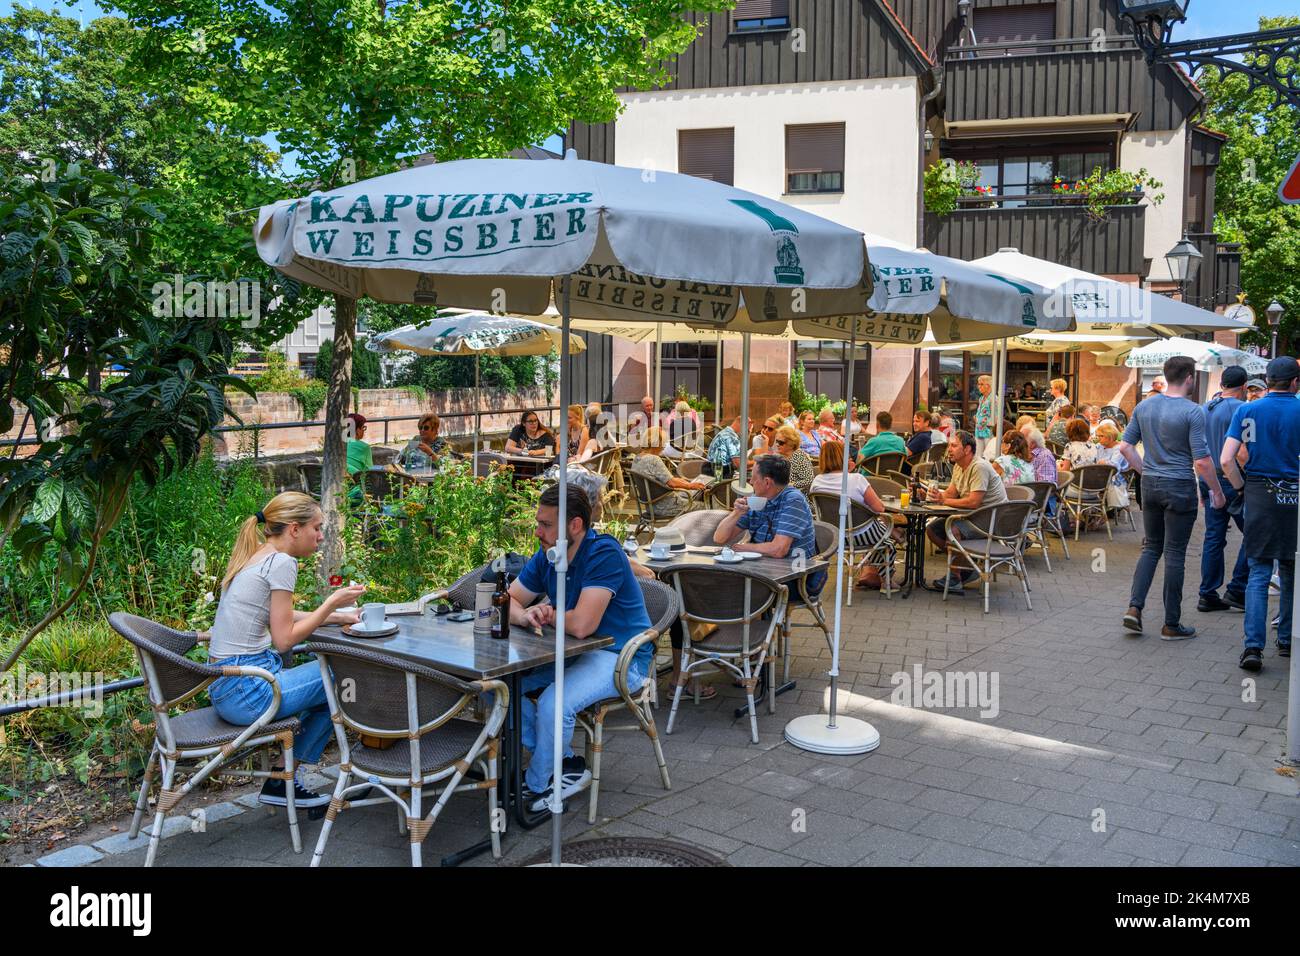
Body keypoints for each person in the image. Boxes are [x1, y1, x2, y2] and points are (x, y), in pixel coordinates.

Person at [206, 492, 367, 809]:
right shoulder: (282, 562)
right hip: (249, 690)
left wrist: (340, 617)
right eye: (317, 528)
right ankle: (287, 778)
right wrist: (331, 602)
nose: (320, 536)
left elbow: (279, 616)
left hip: (227, 686)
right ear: (294, 529)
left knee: (329, 688)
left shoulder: (256, 556)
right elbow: (284, 639)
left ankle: (282, 780)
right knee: (343, 676)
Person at [507, 484, 652, 810]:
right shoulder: (549, 555)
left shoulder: (603, 553)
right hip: (575, 652)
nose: (537, 531)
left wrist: (547, 614)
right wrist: (526, 614)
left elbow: (583, 625)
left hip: (621, 655)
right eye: (538, 522)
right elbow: (510, 601)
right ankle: (565, 762)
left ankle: (541, 784)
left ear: (575, 525)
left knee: (552, 705)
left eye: (546, 524)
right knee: (498, 688)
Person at [1118, 356, 1226, 639]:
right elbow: (1202, 462)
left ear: (1166, 376)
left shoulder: (1145, 406)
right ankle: (1171, 623)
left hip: (1151, 485)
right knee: (1175, 553)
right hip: (1179, 487)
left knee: (1151, 548)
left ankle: (1134, 608)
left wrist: (1146, 472)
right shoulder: (1193, 412)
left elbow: (1125, 447)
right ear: (1189, 377)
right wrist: (1216, 491)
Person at [1220, 356, 1300, 671]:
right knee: (1293, 570)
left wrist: (1241, 489)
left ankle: (1253, 647)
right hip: (1295, 496)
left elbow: (1227, 460)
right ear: (1295, 382)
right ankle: (1287, 638)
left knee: (1258, 572)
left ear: (1266, 381)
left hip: (1259, 494)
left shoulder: (1247, 410)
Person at [714, 454, 825, 596]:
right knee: (718, 580)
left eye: (754, 477)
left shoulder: (793, 500)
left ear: (767, 482)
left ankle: (753, 616)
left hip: (795, 576)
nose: (750, 481)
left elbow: (779, 550)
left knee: (736, 587)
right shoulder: (756, 500)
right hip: (761, 569)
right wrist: (736, 513)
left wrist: (740, 548)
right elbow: (719, 538)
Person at [923, 430, 1008, 595]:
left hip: (992, 520)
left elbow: (973, 502)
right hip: (974, 517)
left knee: (952, 530)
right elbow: (950, 494)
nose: (950, 449)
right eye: (949, 445)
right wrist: (933, 496)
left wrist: (943, 501)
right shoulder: (958, 466)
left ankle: (955, 577)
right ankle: (968, 566)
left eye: (954, 445)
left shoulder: (979, 467)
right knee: (932, 529)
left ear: (967, 449)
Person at [1196, 366, 1249, 614]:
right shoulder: (1242, 409)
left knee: (1214, 537)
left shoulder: (1206, 407)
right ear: (1244, 386)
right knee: (1255, 533)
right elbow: (1241, 453)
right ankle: (1237, 588)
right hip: (1233, 480)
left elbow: (1196, 449)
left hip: (1209, 478)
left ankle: (1207, 593)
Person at [810, 441, 895, 589]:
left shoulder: (817, 481)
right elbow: (879, 508)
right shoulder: (856, 479)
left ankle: (870, 573)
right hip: (861, 533)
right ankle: (886, 580)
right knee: (888, 543)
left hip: (833, 536)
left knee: (880, 536)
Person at [630, 426, 707, 518]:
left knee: (694, 492)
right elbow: (672, 483)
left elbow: (668, 479)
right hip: (667, 506)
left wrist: (685, 483)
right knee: (706, 505)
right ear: (657, 443)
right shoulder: (653, 459)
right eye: (663, 443)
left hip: (652, 506)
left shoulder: (637, 458)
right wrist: (690, 485)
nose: (664, 446)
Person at [770, 424, 815, 493]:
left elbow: (809, 480)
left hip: (796, 496)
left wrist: (789, 486)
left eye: (781, 442)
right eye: (777, 441)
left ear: (791, 444)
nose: (777, 444)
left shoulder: (799, 456)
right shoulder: (777, 456)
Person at [345, 412, 372, 503]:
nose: (364, 430)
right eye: (363, 427)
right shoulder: (364, 447)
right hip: (356, 493)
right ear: (356, 430)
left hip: (338, 489)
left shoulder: (336, 446)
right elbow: (370, 472)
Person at [706, 414, 743, 479]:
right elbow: (737, 463)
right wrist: (755, 462)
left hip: (710, 472)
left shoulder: (724, 432)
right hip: (721, 476)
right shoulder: (731, 437)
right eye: (747, 429)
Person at [973, 374, 994, 458]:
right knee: (978, 456)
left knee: (988, 456)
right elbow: (982, 413)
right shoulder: (981, 398)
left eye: (981, 384)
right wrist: (976, 417)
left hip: (989, 432)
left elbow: (996, 418)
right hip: (979, 431)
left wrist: (981, 421)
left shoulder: (993, 399)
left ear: (988, 385)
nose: (979, 386)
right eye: (978, 384)